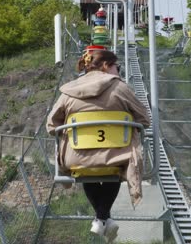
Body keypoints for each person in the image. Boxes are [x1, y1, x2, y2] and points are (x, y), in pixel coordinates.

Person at [46, 50, 150, 242]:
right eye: (116, 67)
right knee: (117, 166)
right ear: (105, 66)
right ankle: (103, 218)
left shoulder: (68, 91)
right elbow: (144, 119)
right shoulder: (120, 88)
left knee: (87, 169)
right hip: (117, 158)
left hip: (77, 158)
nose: (117, 71)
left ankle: (102, 219)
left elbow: (52, 125)